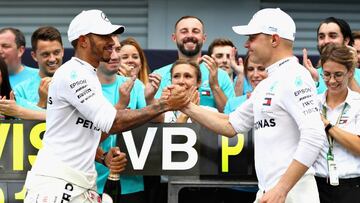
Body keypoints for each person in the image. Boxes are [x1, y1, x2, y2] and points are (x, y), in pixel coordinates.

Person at [24, 9, 189, 203]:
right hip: (57, 184)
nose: (111, 41)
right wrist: (165, 105)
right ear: (83, 40)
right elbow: (112, 123)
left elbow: (83, 131)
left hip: (76, 182)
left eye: (111, 35)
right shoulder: (74, 75)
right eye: (103, 36)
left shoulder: (87, 74)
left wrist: (102, 157)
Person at [181, 8, 326, 203]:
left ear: (274, 39)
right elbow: (231, 125)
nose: (247, 44)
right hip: (271, 191)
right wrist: (185, 106)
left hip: (292, 192)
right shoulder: (268, 83)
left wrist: (282, 189)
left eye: (252, 37)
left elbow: (315, 135)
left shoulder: (296, 76)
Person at [96, 34, 147, 203]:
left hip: (130, 184)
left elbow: (150, 126)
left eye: (118, 49)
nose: (114, 55)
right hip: (90, 183)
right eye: (108, 49)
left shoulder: (136, 85)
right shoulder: (84, 86)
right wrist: (121, 108)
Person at [153, 16, 235, 113]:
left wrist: (215, 86)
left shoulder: (220, 75)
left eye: (195, 31)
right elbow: (153, 117)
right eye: (184, 31)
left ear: (204, 38)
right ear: (174, 37)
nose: (190, 35)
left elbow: (231, 116)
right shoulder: (159, 75)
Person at [314, 43, 360, 203]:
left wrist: (327, 126)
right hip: (316, 185)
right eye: (326, 74)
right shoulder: (313, 103)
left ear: (350, 72)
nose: (332, 81)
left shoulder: (358, 103)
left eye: (338, 75)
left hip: (351, 187)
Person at [302, 17, 360, 93]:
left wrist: (350, 78)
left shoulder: (358, 74)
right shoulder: (310, 75)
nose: (326, 41)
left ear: (346, 40)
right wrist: (313, 81)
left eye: (332, 36)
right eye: (321, 37)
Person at [12, 26, 63, 110]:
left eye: (56, 52)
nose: (52, 59)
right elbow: (21, 122)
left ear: (63, 51)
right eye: (45, 54)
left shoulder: (77, 83)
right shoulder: (20, 91)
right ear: (34, 56)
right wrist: (42, 102)